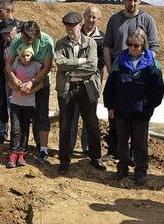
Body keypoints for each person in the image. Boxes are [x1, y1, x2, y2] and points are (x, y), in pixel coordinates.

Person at [103, 28, 164, 185]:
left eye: (136, 45)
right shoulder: (120, 61)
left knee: (140, 142)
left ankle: (141, 170)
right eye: (129, 44)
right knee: (121, 141)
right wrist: (110, 106)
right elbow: (110, 87)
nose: (132, 48)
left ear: (143, 45)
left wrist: (147, 106)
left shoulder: (152, 64)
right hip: (122, 110)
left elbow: (158, 90)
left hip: (141, 112)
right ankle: (122, 167)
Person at [103, 0, 159, 159]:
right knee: (116, 115)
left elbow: (154, 47)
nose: (132, 3)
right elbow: (107, 45)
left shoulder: (147, 20)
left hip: (139, 76)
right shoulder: (114, 20)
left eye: (135, 0)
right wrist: (110, 68)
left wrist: (143, 67)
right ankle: (115, 152)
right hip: (120, 73)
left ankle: (136, 154)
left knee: (138, 118)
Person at [54, 12, 106, 175]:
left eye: (72, 26)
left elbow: (92, 67)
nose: (70, 29)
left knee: (91, 123)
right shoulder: (60, 43)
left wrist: (71, 71)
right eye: (67, 26)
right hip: (67, 89)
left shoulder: (91, 43)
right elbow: (60, 64)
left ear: (79, 25)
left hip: (86, 88)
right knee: (65, 125)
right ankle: (64, 159)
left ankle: (96, 157)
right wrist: (79, 62)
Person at [6, 21, 54, 164]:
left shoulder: (47, 41)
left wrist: (32, 83)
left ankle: (43, 149)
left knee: (41, 115)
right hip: (20, 83)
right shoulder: (17, 39)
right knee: (21, 118)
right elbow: (9, 62)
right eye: (24, 38)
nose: (25, 41)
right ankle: (20, 149)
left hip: (40, 83)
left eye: (29, 39)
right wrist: (14, 79)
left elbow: (47, 67)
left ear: (36, 36)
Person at [68, 5, 105, 156]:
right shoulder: (74, 34)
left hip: (91, 83)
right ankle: (69, 147)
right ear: (84, 16)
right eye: (88, 16)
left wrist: (81, 66)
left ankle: (87, 148)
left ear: (98, 19)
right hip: (73, 82)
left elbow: (99, 62)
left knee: (89, 116)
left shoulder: (103, 38)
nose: (91, 19)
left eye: (94, 17)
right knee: (72, 115)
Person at [7, 44, 43, 168]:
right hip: (16, 102)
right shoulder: (15, 64)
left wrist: (31, 91)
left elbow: (41, 83)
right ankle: (13, 153)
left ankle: (22, 152)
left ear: (32, 55)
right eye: (23, 56)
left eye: (28, 55)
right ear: (19, 56)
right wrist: (15, 87)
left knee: (25, 128)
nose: (25, 58)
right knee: (15, 129)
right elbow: (9, 82)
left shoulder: (36, 66)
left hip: (29, 103)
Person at [0, 19, 18, 144]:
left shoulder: (22, 45)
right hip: (3, 80)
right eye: (3, 33)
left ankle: (17, 135)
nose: (6, 36)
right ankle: (2, 133)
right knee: (2, 105)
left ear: (15, 29)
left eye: (8, 33)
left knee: (17, 108)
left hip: (19, 82)